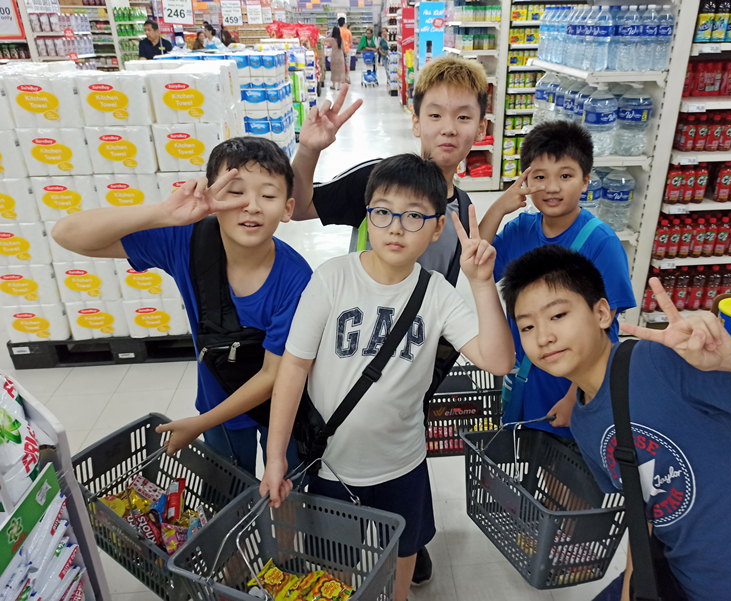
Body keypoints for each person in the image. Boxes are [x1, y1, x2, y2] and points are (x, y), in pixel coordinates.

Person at [261, 153, 515, 601]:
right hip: (332, 464)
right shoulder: (332, 279)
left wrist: (480, 283)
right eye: (383, 212)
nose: (396, 227)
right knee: (335, 566)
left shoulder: (436, 293)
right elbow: (294, 368)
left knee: (403, 552)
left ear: (438, 227)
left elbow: (498, 362)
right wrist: (276, 455)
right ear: (367, 216)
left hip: (403, 465)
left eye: (414, 216)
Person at [288, 56, 490, 586]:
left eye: (463, 116)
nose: (449, 128)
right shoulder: (381, 182)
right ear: (415, 119)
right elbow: (299, 206)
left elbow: (451, 286)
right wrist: (309, 150)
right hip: (353, 353)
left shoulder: (462, 208)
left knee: (402, 449)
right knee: (349, 444)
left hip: (413, 361)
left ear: (481, 127)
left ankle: (407, 538)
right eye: (436, 114)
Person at [500, 245, 731, 601]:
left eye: (558, 315)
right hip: (681, 582)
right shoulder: (583, 422)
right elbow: (643, 511)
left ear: (602, 313)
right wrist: (633, 588)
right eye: (527, 326)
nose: (543, 337)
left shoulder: (662, 362)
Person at [50, 138, 312, 477]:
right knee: (227, 490)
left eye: (268, 196)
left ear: (288, 208)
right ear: (212, 199)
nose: (251, 206)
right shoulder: (187, 242)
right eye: (235, 192)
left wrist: (200, 423)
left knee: (285, 489)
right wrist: (163, 213)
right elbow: (67, 233)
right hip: (219, 400)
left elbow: (273, 376)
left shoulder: (296, 278)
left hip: (283, 408)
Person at [478, 120, 636, 435]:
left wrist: (574, 397)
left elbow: (604, 330)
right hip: (527, 374)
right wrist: (498, 208)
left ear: (586, 181)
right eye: (540, 177)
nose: (551, 187)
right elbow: (475, 260)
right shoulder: (519, 230)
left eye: (565, 176)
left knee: (567, 456)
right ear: (525, 180)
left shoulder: (601, 242)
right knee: (528, 448)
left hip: (574, 385)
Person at [325, 26, 346, 92]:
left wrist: (329, 33)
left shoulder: (332, 39)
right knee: (340, 71)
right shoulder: (341, 39)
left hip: (334, 56)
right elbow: (344, 49)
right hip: (340, 56)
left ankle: (333, 86)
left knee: (333, 71)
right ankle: (339, 86)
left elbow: (325, 39)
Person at [337, 17, 352, 84]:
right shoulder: (348, 31)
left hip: (339, 50)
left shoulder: (337, 31)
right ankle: (346, 77)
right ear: (344, 23)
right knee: (347, 64)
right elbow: (350, 42)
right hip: (347, 49)